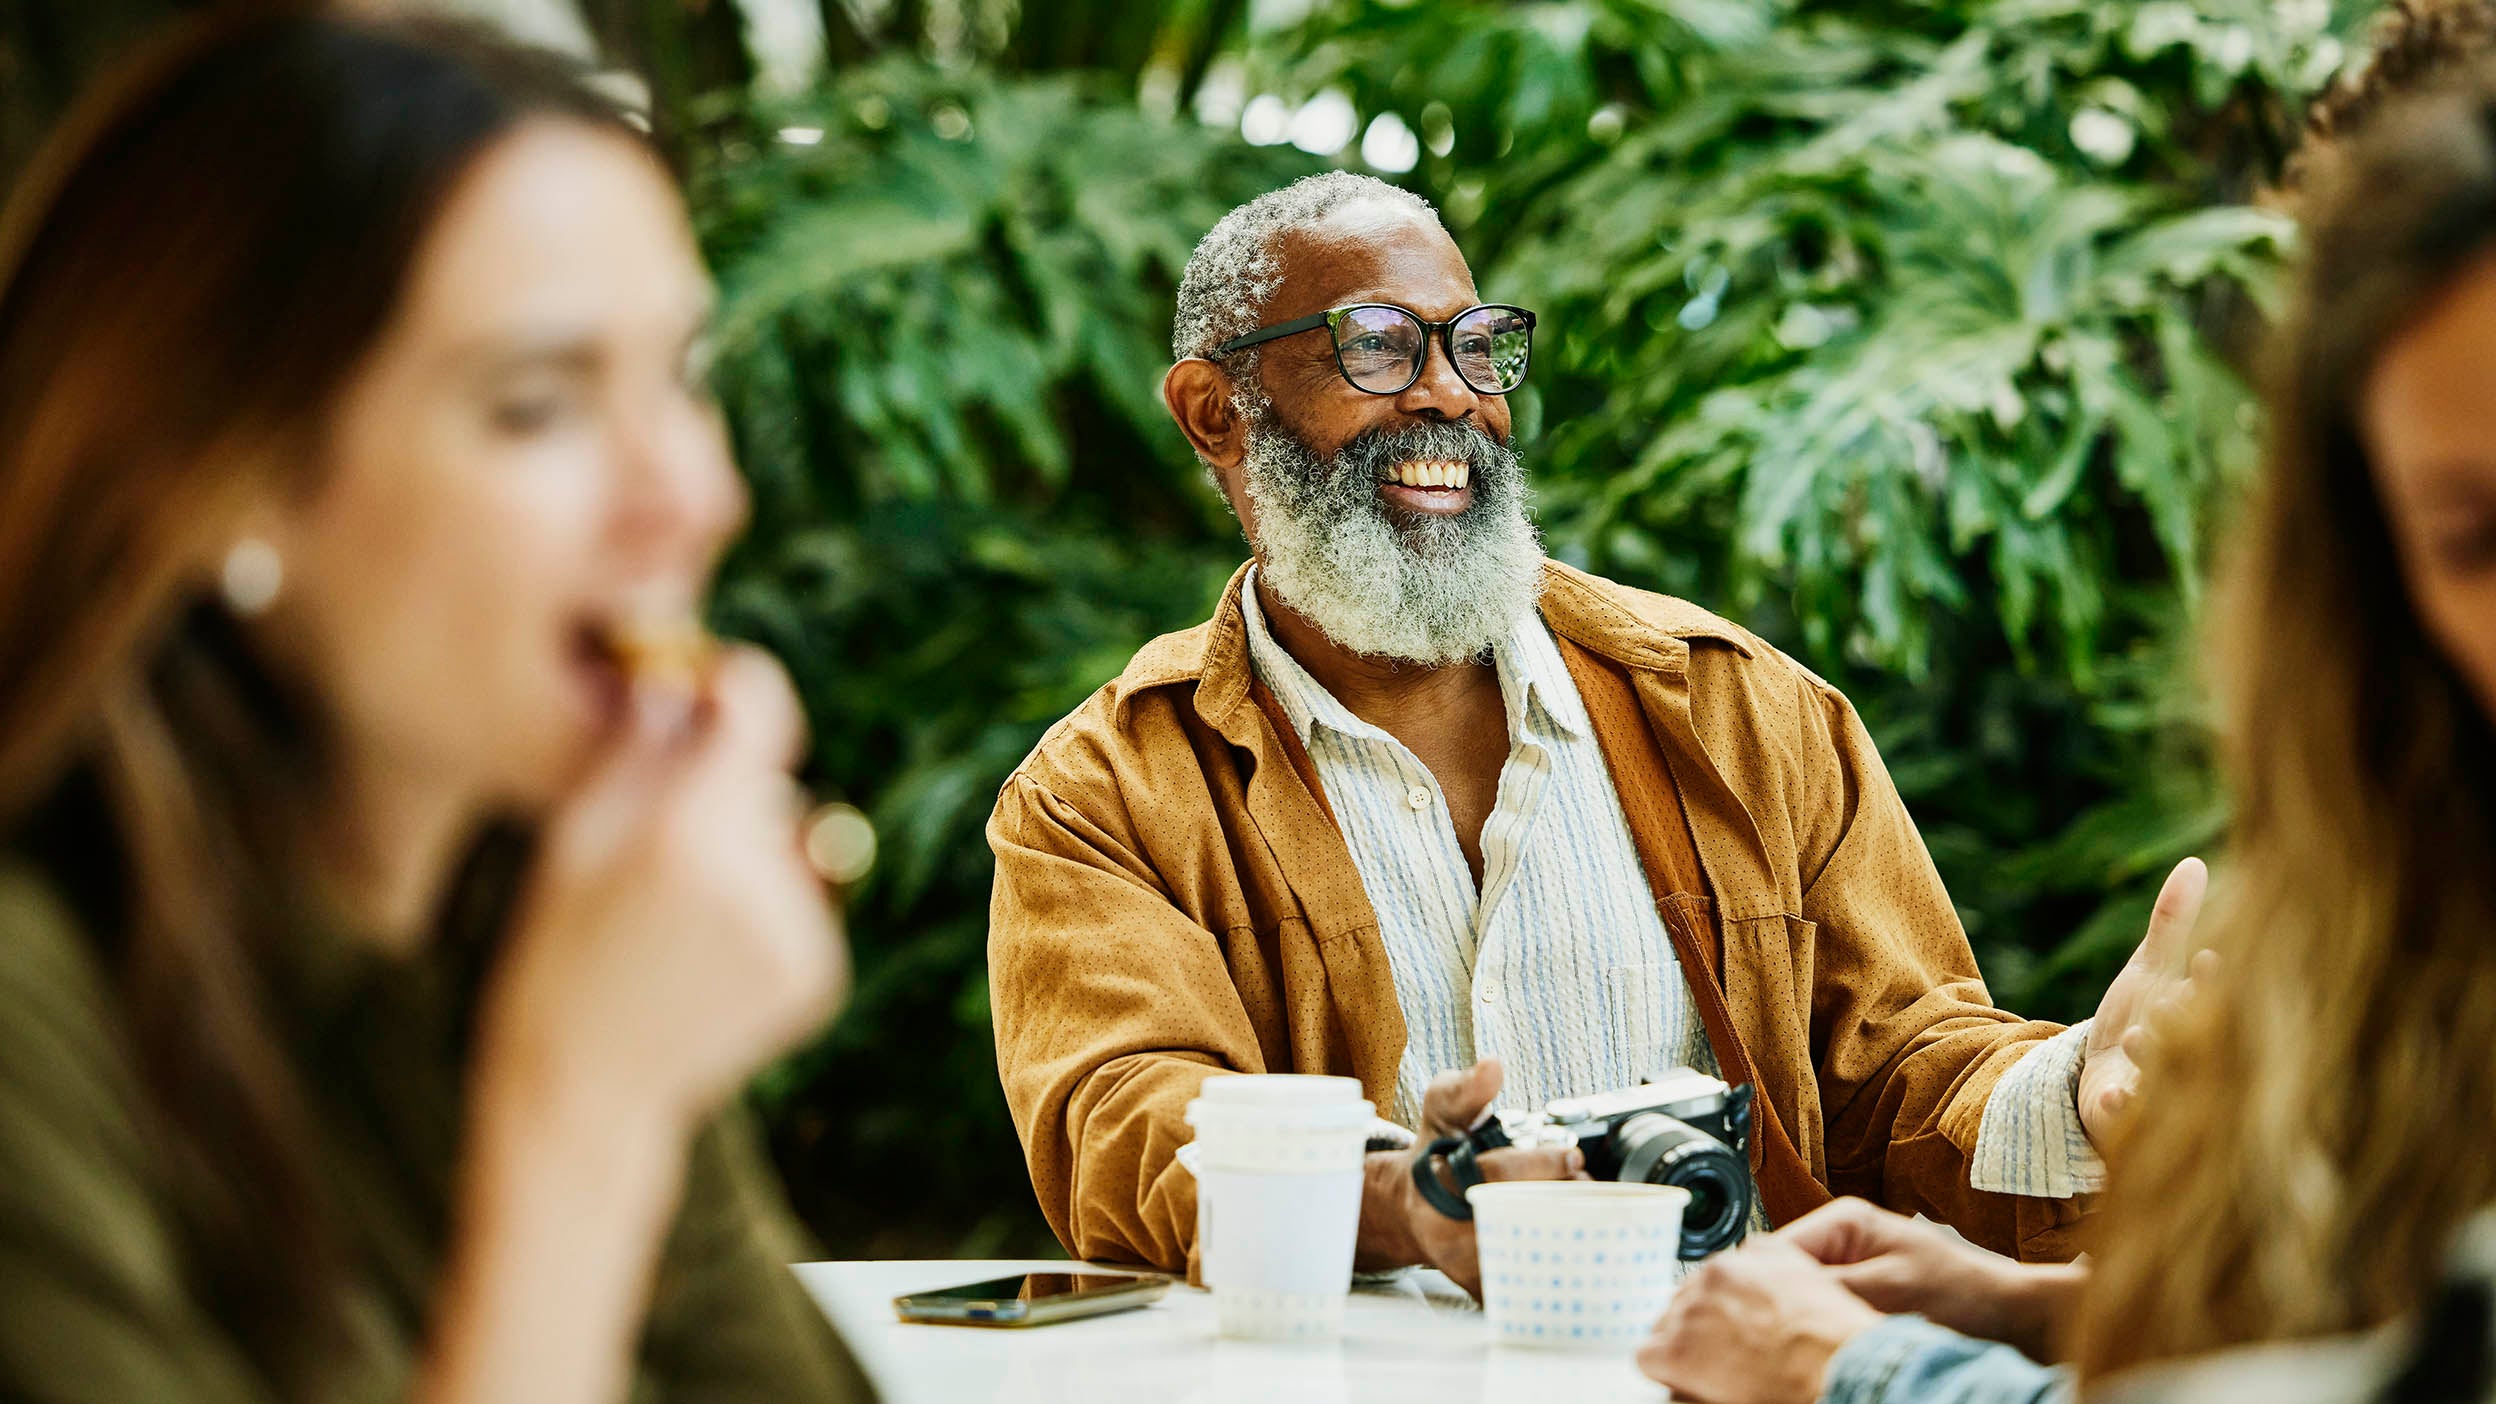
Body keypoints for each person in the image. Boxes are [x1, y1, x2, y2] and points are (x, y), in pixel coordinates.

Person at [984, 167, 2202, 1293]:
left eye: (1475, 347)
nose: (1451, 396)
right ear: (1214, 410)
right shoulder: (1104, 795)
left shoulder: (1745, 713)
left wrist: (2083, 1097)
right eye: (1375, 349)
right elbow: (1126, 1120)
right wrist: (1403, 1202)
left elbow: (1905, 1070)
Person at [0, 10, 868, 1402]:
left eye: (681, 379)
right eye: (539, 404)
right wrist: (581, 1120)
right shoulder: (33, 1017)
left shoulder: (544, 916)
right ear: (229, 481)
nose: (696, 499)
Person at [1637, 29, 2496, 1404]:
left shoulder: (1734, 704)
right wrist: (2038, 1305)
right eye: (2463, 534)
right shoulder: (2413, 823)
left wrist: (1862, 1370)